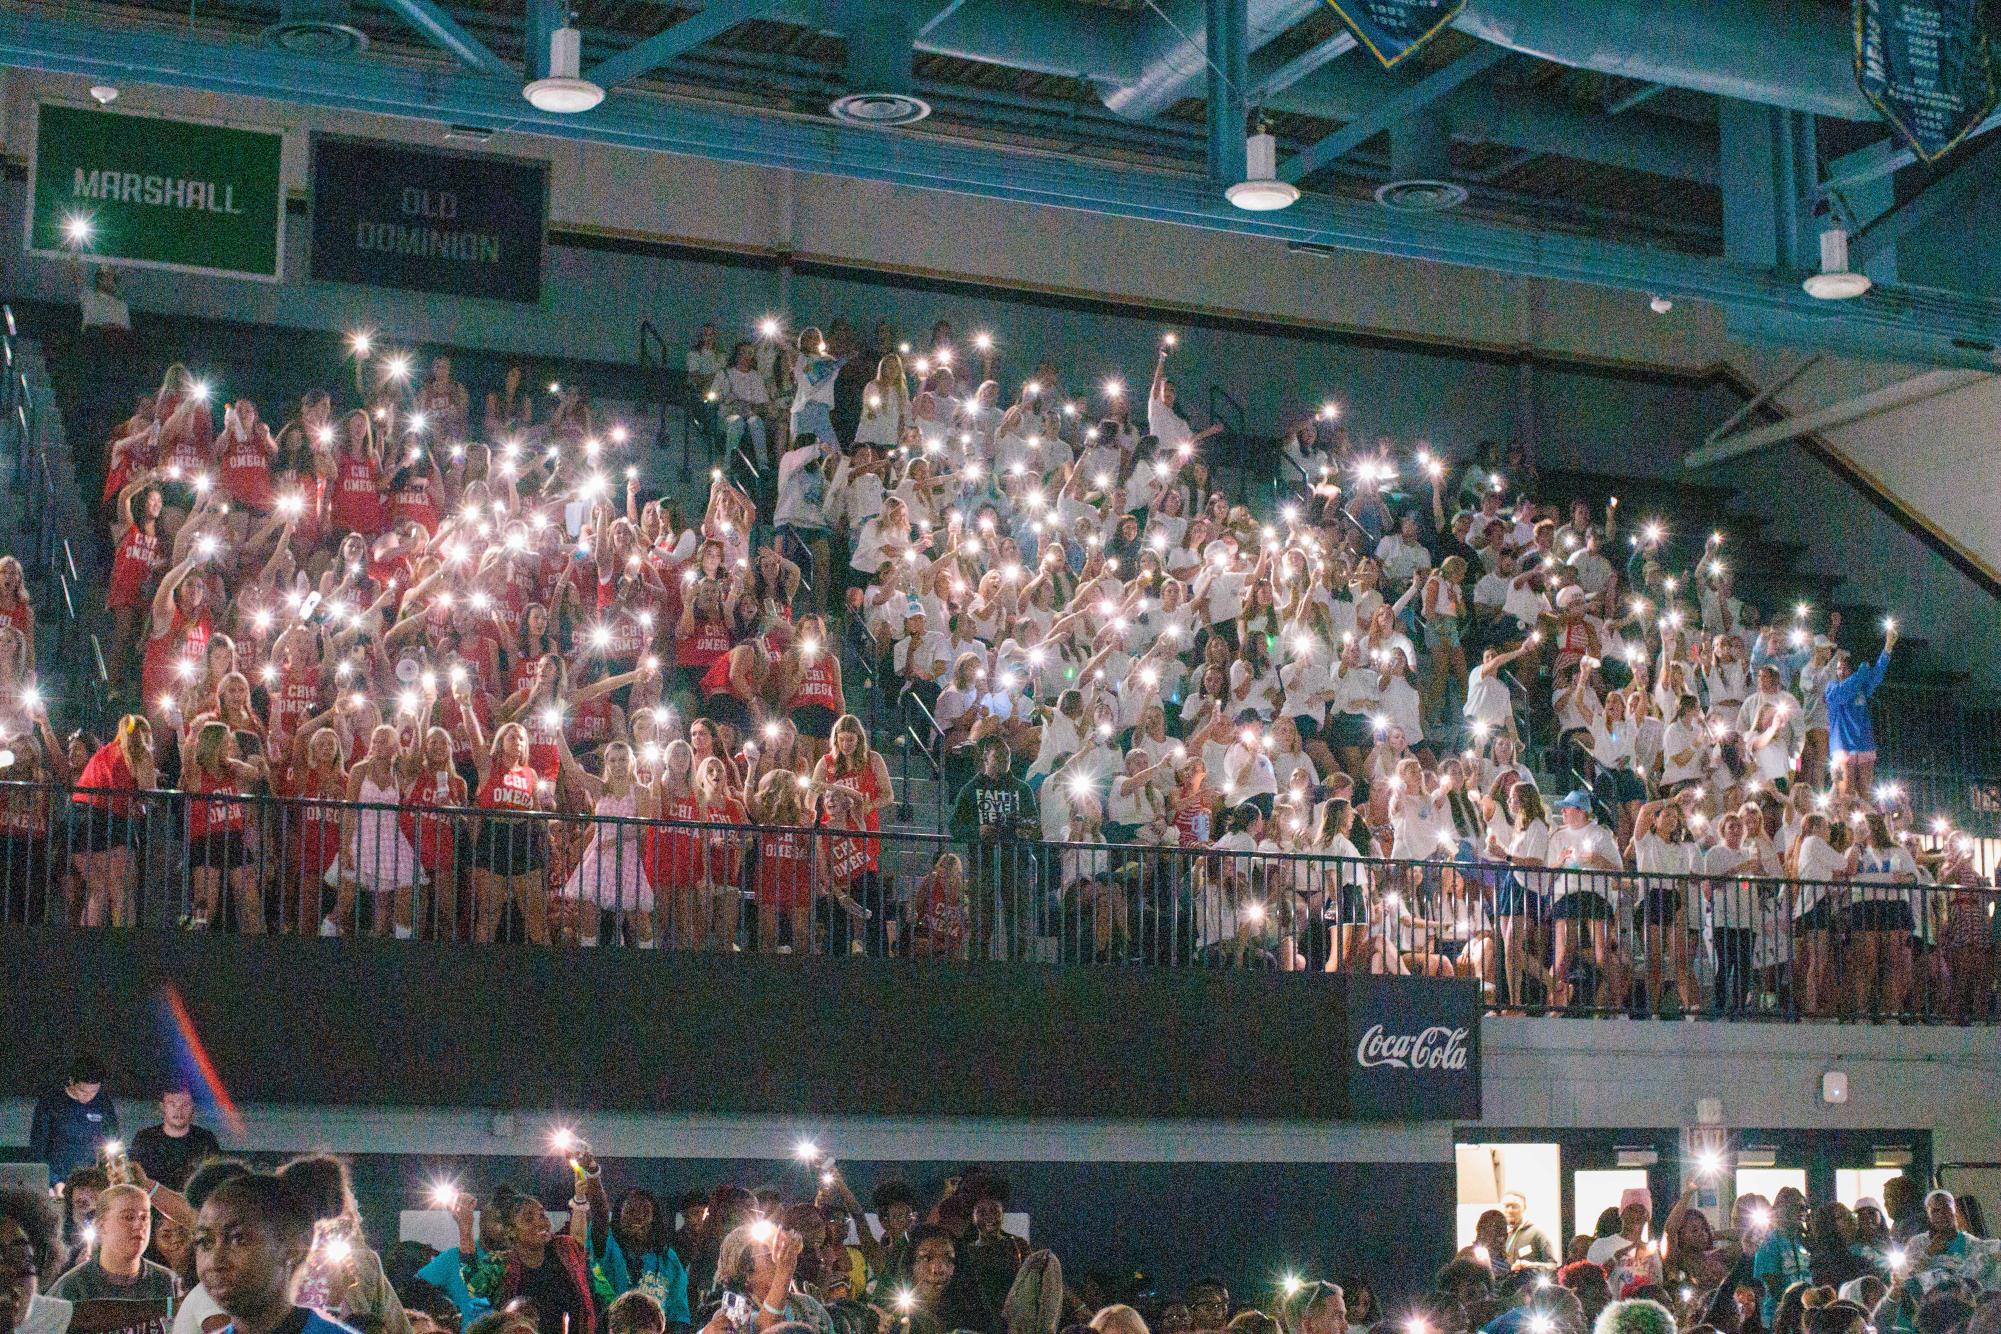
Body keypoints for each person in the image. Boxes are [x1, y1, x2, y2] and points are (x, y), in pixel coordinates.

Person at [48, 1185, 178, 1334]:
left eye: (144, 1217)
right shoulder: (71, 1288)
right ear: (101, 1226)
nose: (139, 1225)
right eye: (128, 1217)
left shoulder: (170, 1283)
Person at [29, 1059, 118, 1185]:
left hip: (93, 1179)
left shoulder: (103, 1103)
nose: (88, 1096)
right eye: (82, 1091)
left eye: (94, 1092)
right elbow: (38, 1147)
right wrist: (52, 1182)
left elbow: (114, 1140)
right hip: (58, 1177)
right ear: (71, 1081)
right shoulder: (50, 1102)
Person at [128, 1091, 220, 1194]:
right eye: (172, 1104)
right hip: (152, 1203)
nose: (179, 1110)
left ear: (193, 1108)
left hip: (192, 1205)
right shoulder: (144, 1138)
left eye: (185, 1105)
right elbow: (133, 1178)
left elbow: (215, 1179)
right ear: (163, 1107)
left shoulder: (206, 1139)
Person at [1501, 1193, 1556, 1271]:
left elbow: (1552, 1265)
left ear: (1524, 1208)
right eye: (1506, 1206)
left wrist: (1530, 1266)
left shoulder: (1536, 1233)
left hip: (1529, 1282)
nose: (1510, 1210)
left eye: (1515, 1206)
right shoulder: (1501, 1236)